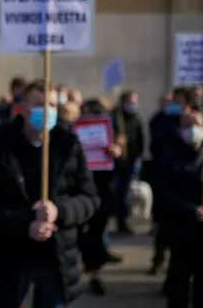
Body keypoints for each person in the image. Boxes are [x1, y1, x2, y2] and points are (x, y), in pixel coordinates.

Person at [0, 80, 99, 308]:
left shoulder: (68, 145)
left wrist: (59, 212)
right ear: (23, 108)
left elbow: (89, 198)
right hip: (8, 257)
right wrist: (24, 224)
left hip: (56, 257)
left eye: (52, 105)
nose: (46, 110)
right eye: (39, 104)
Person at [159, 109, 203, 308]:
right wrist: (191, 210)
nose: (192, 129)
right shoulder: (171, 158)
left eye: (196, 124)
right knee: (179, 283)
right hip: (181, 230)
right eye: (187, 124)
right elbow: (165, 194)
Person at [77, 98, 123, 296]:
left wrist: (117, 155)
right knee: (80, 235)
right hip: (79, 193)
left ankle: (95, 275)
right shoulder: (72, 134)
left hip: (101, 193)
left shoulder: (112, 137)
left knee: (95, 235)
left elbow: (120, 170)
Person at [148, 88, 190, 276]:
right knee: (162, 224)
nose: (176, 104)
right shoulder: (162, 120)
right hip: (164, 178)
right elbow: (155, 141)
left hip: (185, 182)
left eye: (180, 101)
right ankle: (158, 259)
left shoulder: (192, 121)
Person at [112, 90, 146, 234]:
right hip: (115, 163)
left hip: (130, 162)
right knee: (115, 192)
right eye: (130, 102)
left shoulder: (136, 118)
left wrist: (138, 156)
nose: (133, 105)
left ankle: (123, 220)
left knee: (125, 192)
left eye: (134, 102)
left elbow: (141, 139)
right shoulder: (115, 116)